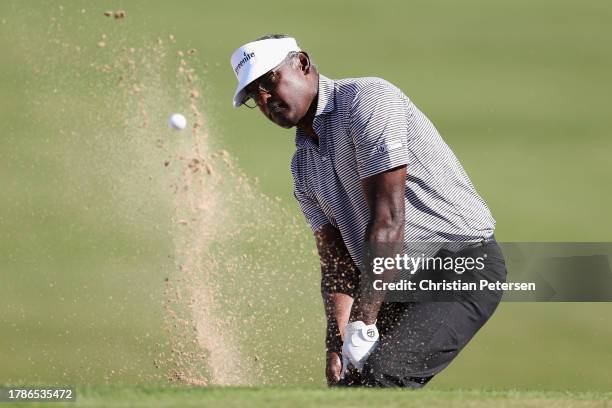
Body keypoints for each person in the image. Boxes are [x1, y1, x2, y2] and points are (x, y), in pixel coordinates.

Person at [229, 34, 507, 387]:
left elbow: (389, 219)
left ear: (301, 63)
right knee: (349, 385)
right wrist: (337, 342)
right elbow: (337, 263)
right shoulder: (302, 167)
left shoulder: (367, 100)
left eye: (269, 81)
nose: (266, 99)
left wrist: (361, 322)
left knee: (383, 375)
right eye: (255, 94)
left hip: (459, 266)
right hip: (391, 281)